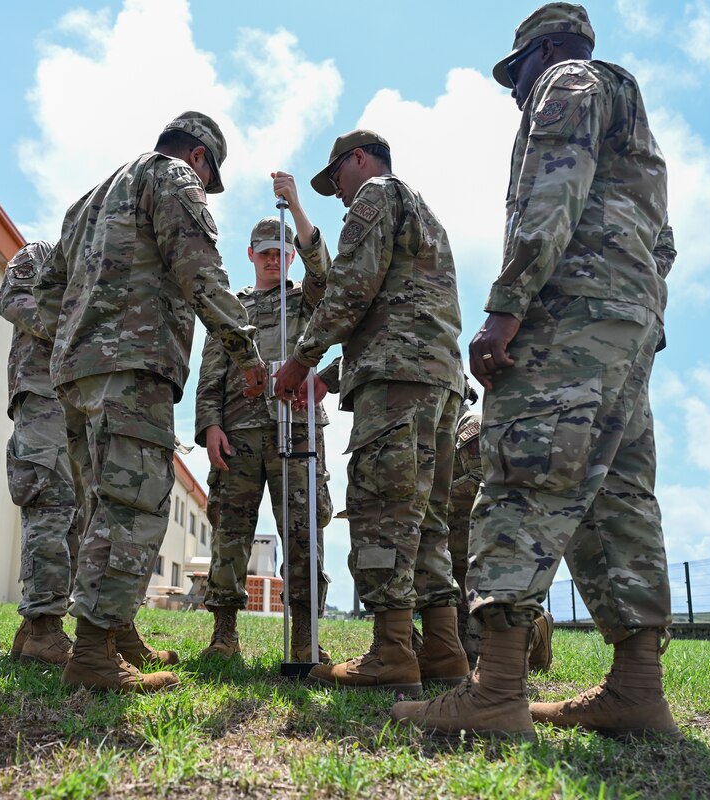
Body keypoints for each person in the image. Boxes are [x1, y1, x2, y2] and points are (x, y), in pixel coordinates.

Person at [391, 2, 679, 740]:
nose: (515, 91)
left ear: (543, 50)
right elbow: (663, 245)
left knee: (520, 477)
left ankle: (495, 693)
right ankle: (637, 690)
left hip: (570, 317)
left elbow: (550, 197)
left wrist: (507, 309)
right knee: (616, 498)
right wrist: (641, 321)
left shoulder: (569, 83)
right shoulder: (633, 119)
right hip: (627, 325)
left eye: (515, 73)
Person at [34, 111, 267, 693]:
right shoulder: (172, 178)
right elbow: (201, 273)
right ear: (200, 158)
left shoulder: (87, 201)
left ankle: (117, 635)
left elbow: (47, 289)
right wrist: (247, 353)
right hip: (133, 368)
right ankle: (92, 656)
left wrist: (73, 342)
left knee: (98, 507)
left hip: (78, 373)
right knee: (130, 508)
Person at [273, 132, 468, 696]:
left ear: (358, 160)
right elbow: (393, 312)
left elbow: (351, 290)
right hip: (437, 380)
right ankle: (444, 650)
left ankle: (390, 652)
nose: (336, 194)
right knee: (426, 519)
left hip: (397, 386)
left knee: (383, 510)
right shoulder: (422, 210)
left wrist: (301, 359)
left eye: (335, 179)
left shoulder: (376, 194)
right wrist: (328, 378)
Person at [196, 214, 334, 664]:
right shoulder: (232, 309)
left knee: (302, 533)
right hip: (239, 433)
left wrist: (294, 205)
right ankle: (224, 634)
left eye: (282, 252)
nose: (274, 260)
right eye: (266, 252)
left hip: (297, 433)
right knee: (230, 533)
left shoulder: (306, 301)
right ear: (251, 255)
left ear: (292, 256)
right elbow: (211, 373)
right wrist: (209, 426)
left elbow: (326, 277)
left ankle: (304, 636)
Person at [0, 241, 81, 665]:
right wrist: (79, 324)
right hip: (43, 395)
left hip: (81, 400)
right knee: (50, 504)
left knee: (76, 519)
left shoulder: (98, 265)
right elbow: (14, 300)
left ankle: (35, 631)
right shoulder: (44, 253)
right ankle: (45, 627)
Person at [446, 383, 554, 672]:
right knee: (450, 653)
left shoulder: (470, 426)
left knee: (475, 658)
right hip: (451, 552)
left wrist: (428, 501)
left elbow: (481, 481)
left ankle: (537, 626)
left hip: (478, 552)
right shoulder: (434, 434)